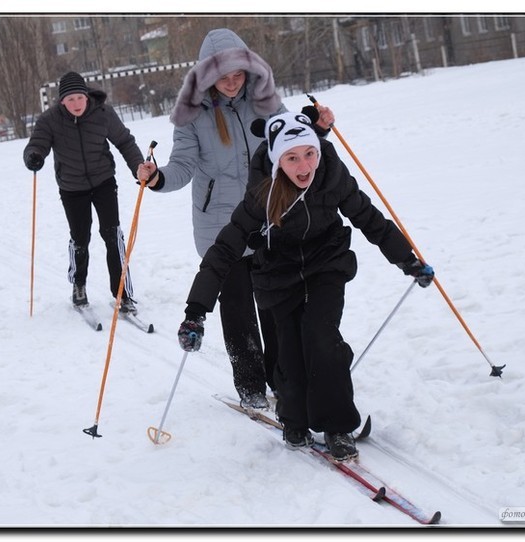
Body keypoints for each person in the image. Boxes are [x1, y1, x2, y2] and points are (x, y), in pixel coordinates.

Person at [175, 109, 435, 461]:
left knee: (321, 337)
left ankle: (337, 425)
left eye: (309, 154)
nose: (304, 166)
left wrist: (408, 259)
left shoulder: (331, 175)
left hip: (327, 262)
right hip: (279, 272)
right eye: (292, 158)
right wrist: (195, 311)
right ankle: (294, 418)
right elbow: (224, 250)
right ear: (277, 159)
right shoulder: (262, 192)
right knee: (290, 350)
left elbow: (369, 218)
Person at [136, 28, 335, 409]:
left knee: (276, 304)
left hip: (269, 217)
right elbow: (182, 165)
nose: (231, 83)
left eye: (237, 75)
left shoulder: (264, 102)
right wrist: (157, 177)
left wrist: (317, 126)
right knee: (239, 309)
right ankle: (250, 388)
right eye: (223, 77)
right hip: (220, 226)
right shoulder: (192, 116)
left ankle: (285, 380)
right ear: (207, 76)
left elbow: (292, 139)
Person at [23, 71, 145, 314]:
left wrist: (138, 167)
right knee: (80, 239)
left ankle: (122, 292)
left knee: (113, 236)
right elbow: (37, 144)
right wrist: (34, 157)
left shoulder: (103, 113)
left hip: (103, 181)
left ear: (87, 96)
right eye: (70, 100)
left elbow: (124, 141)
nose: (76, 104)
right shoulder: (50, 120)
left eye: (80, 98)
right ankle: (79, 285)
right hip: (72, 187)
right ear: (61, 102)